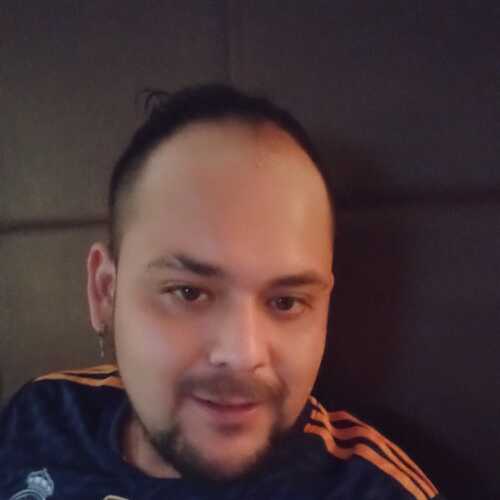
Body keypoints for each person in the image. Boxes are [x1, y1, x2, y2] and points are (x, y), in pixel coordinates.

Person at [0, 84, 445, 500]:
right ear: (105, 292)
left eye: (286, 302)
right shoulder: (38, 418)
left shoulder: (373, 490)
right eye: (188, 292)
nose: (242, 354)